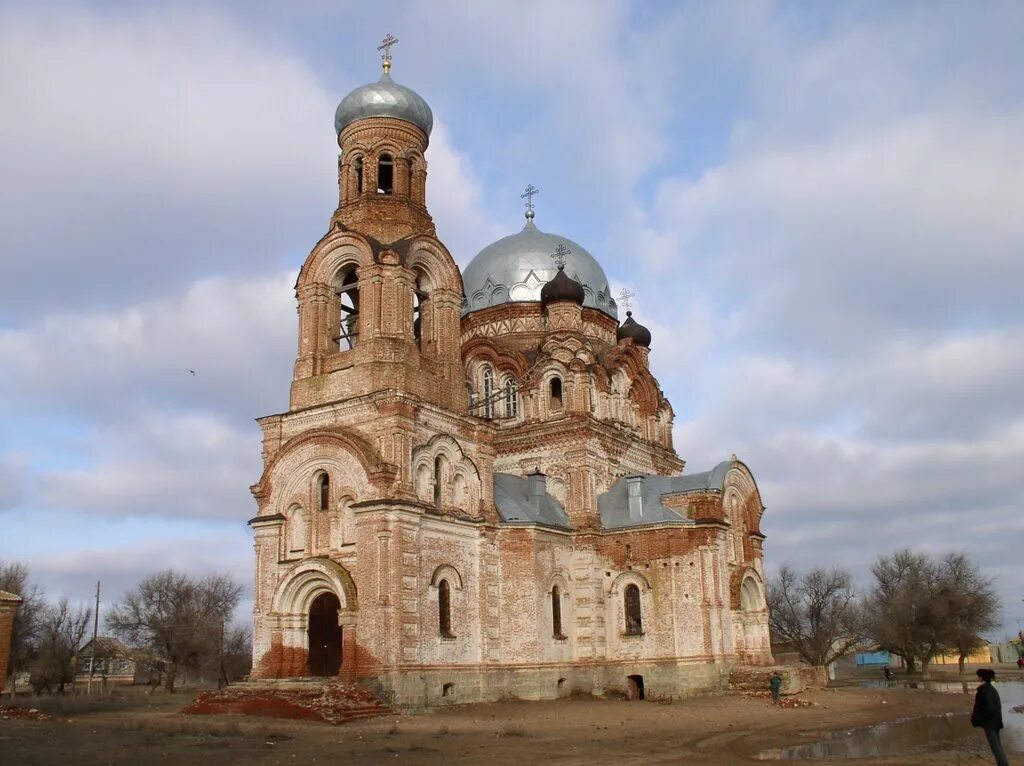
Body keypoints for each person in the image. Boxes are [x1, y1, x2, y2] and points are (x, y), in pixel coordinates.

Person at [971, 668, 1009, 766]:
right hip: (995, 721)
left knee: (995, 746)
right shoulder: (991, 689)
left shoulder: (985, 690)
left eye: (979, 676)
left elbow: (989, 708)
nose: (978, 678)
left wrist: (982, 719)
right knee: (997, 745)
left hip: (990, 723)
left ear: (982, 678)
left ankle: (1003, 764)